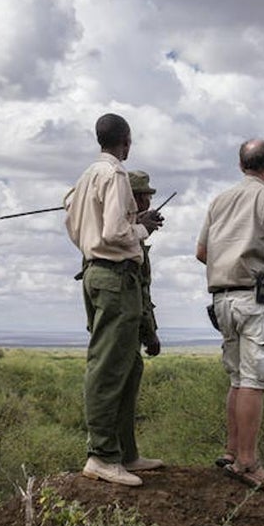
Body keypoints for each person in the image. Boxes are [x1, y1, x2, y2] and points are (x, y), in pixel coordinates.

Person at [64, 113, 165, 486]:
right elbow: (115, 231)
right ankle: (102, 456)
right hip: (113, 275)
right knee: (108, 367)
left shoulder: (86, 177)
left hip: (96, 271)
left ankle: (124, 452)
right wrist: (143, 227)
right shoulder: (116, 174)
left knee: (126, 365)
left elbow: (74, 219)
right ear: (127, 141)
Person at [196, 139, 264, 492]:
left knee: (238, 377)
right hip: (254, 297)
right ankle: (248, 462)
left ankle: (231, 451)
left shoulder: (219, 200)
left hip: (221, 299)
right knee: (256, 379)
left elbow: (201, 252)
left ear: (242, 165)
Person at [128, 170, 161, 357]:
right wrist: (150, 334)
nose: (148, 203)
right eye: (147, 197)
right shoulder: (128, 242)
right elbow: (141, 292)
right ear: (139, 199)